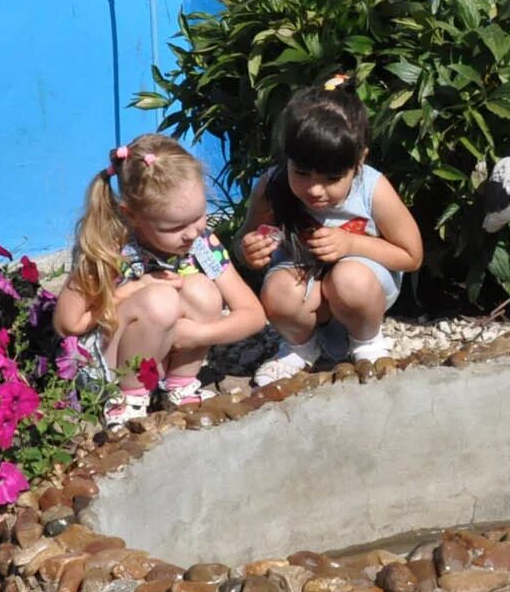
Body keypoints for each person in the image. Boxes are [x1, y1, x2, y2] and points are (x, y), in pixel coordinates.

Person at [53, 134, 267, 425]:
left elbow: (253, 315)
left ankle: (179, 386)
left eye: (199, 216)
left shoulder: (201, 243)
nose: (192, 233)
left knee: (201, 290)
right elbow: (67, 323)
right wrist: (133, 289)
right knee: (160, 299)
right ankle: (127, 401)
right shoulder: (110, 245)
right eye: (176, 226)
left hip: (160, 362)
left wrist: (198, 336)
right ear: (134, 215)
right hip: (109, 369)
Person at [240, 76, 424, 386]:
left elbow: (411, 255)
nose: (315, 189)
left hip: (363, 288)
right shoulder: (271, 187)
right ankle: (300, 346)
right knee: (278, 291)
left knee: (349, 279)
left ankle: (366, 341)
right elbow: (243, 242)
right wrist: (248, 251)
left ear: (359, 161)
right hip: (302, 286)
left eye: (332, 177)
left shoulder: (372, 189)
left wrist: (351, 243)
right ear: (288, 157)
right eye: (301, 172)